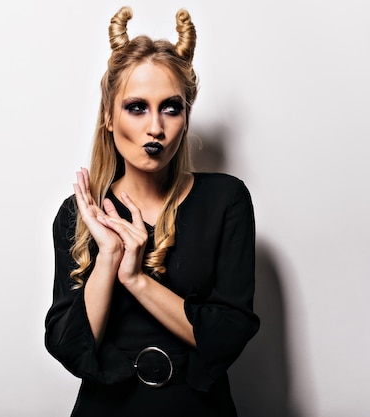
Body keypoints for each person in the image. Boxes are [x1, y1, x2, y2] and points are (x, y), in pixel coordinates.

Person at [45, 6, 260, 416]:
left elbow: (228, 334)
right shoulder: (81, 214)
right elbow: (71, 348)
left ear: (186, 116)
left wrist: (136, 278)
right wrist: (109, 257)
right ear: (109, 117)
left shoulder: (225, 200)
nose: (156, 128)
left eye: (171, 108)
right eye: (137, 107)